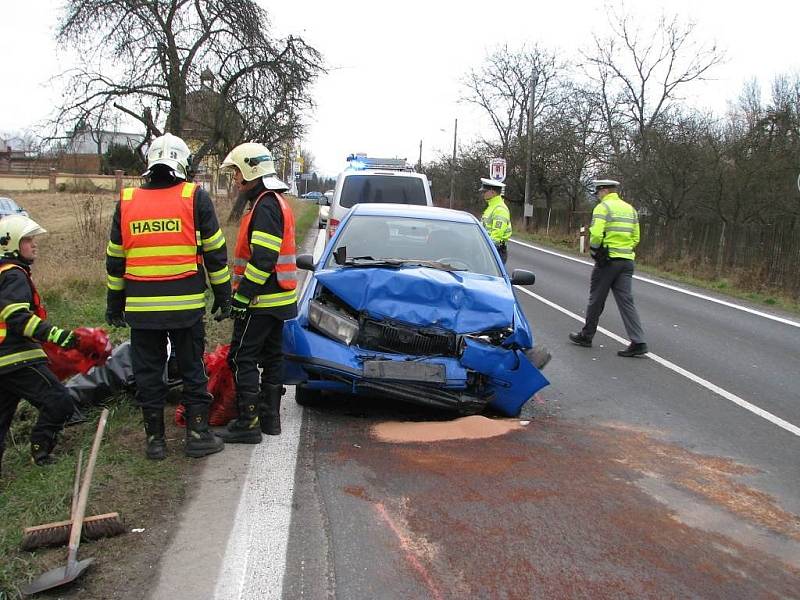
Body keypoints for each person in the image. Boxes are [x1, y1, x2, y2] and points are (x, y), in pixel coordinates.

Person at [105, 132, 231, 460]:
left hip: (142, 310)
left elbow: (115, 260)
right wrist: (223, 295)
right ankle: (198, 435)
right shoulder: (194, 196)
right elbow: (215, 252)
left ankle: (155, 442)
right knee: (191, 368)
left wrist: (114, 304)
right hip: (186, 308)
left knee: (148, 374)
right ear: (183, 164)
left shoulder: (128, 201)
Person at [218, 142, 297, 443]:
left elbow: (263, 259)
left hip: (261, 300)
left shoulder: (265, 206)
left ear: (250, 171)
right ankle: (270, 419)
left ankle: (248, 423)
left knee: (242, 357)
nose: (235, 179)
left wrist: (241, 296)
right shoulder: (275, 201)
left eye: (237, 172)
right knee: (273, 356)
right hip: (280, 299)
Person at [0, 215, 81, 474]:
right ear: (10, 244)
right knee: (59, 401)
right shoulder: (14, 275)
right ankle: (40, 452)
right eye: (27, 240)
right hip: (17, 357)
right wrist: (57, 335)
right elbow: (16, 316)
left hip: (6, 360)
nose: (34, 245)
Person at [569, 179, 648, 357]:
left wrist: (596, 250)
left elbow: (596, 233)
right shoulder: (630, 209)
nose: (597, 196)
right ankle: (638, 340)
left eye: (597, 193)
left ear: (603, 191)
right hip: (627, 261)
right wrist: (624, 248)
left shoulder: (603, 208)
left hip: (608, 261)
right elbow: (636, 237)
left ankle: (586, 336)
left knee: (596, 299)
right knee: (626, 302)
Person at [479, 178, 512, 263]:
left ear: (492, 192)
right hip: (489, 248)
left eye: (484, 192)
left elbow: (497, 235)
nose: (483, 194)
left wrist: (487, 250)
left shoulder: (499, 209)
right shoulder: (492, 206)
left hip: (495, 250)